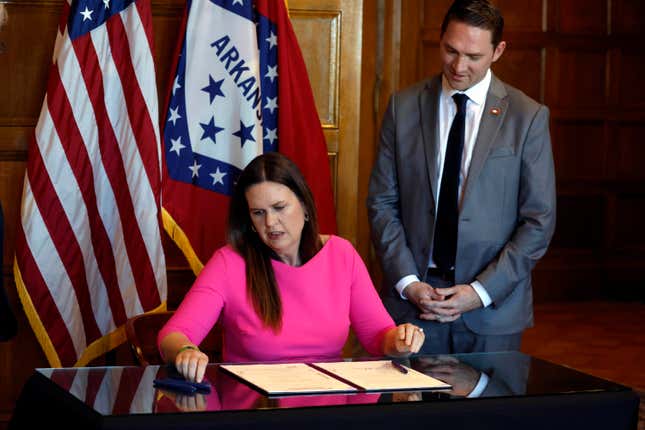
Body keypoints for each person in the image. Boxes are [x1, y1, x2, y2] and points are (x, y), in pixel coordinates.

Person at [367, 0, 555, 354]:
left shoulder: (527, 117)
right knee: (411, 410)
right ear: (440, 40)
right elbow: (382, 203)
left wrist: (479, 292)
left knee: (489, 409)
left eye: (473, 56)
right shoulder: (403, 107)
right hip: (412, 305)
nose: (458, 66)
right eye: (450, 51)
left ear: (497, 51)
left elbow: (539, 221)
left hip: (492, 311)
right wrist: (408, 282)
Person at [159, 152, 425, 382]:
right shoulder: (229, 262)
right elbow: (173, 335)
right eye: (258, 213)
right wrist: (185, 351)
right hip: (255, 411)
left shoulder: (341, 254)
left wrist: (401, 339)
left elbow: (379, 337)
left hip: (325, 408)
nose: (271, 223)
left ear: (305, 206)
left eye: (279, 207)